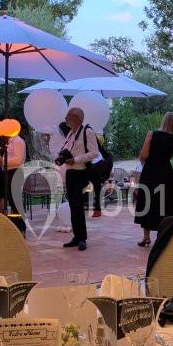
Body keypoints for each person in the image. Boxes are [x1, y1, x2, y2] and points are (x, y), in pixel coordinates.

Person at [135, 112, 173, 247]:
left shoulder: (152, 134)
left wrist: (145, 165)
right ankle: (162, 237)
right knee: (164, 203)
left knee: (148, 202)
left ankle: (146, 237)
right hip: (165, 174)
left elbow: (143, 155)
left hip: (150, 172)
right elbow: (170, 156)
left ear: (163, 121)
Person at [60, 107, 100, 251]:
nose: (65, 120)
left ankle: (82, 238)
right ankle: (76, 236)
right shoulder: (71, 132)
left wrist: (75, 159)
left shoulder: (87, 131)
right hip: (70, 173)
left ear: (76, 117)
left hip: (79, 173)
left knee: (78, 206)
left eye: (67, 117)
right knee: (73, 206)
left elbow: (95, 153)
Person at [0, 132, 25, 214]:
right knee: (10, 198)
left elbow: (18, 160)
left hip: (15, 172)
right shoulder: (10, 141)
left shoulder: (18, 141)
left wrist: (3, 161)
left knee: (15, 200)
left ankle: (19, 223)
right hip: (7, 172)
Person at [90, 133, 113, 218]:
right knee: (97, 188)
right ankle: (97, 209)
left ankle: (97, 209)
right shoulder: (101, 152)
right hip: (98, 171)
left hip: (98, 170)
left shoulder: (100, 152)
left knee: (97, 188)